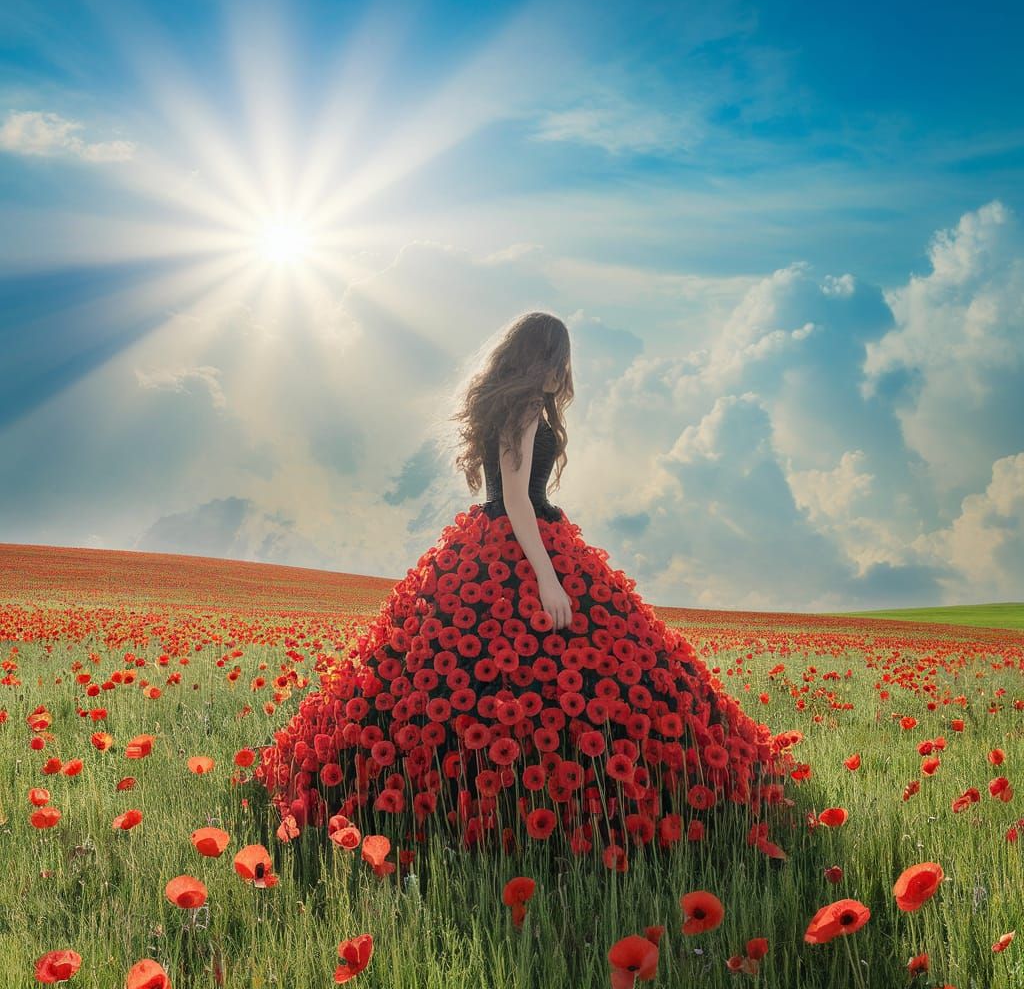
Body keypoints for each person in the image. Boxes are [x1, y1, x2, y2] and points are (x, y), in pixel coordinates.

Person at [254, 311, 795, 860]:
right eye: (561, 360)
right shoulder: (527, 407)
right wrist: (547, 578)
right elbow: (516, 498)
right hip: (522, 538)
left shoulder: (506, 402)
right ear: (544, 359)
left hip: (497, 535)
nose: (566, 373)